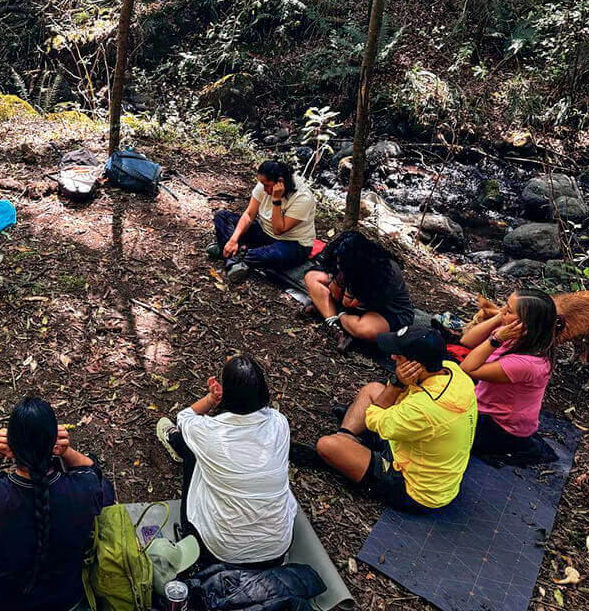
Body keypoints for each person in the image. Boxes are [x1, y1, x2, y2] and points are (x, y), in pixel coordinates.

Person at [0, 396, 114, 611]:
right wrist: (67, 451)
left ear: (11, 446)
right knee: (104, 489)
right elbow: (91, 470)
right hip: (64, 599)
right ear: (54, 444)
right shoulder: (84, 488)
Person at [307, 327, 476, 514]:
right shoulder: (453, 371)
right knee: (372, 389)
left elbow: (373, 418)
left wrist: (397, 383)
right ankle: (347, 438)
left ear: (416, 366)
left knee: (327, 445)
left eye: (399, 355)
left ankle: (345, 448)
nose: (393, 357)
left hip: (415, 489)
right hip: (414, 446)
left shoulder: (423, 409)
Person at [155, 355, 296, 568]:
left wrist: (211, 399)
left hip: (219, 551)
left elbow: (185, 417)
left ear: (227, 394)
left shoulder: (210, 432)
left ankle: (174, 440)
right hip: (276, 550)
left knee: (194, 454)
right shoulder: (280, 423)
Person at [460, 289, 559, 462]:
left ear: (525, 325)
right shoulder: (516, 334)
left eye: (509, 310)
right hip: (487, 407)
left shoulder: (527, 364)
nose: (502, 310)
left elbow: (467, 368)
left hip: (501, 429)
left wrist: (495, 339)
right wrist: (501, 316)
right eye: (505, 304)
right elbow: (467, 341)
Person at [303, 231, 415, 353]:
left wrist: (341, 288)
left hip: (382, 310)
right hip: (350, 303)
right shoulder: (343, 262)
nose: (339, 266)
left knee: (366, 330)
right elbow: (334, 283)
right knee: (312, 277)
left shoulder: (386, 271)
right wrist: (338, 281)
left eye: (342, 264)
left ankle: (332, 314)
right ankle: (335, 325)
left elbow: (349, 303)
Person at [209, 160, 316, 283]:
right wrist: (233, 240)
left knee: (263, 255)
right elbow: (249, 215)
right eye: (262, 184)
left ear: (280, 182)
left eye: (267, 185)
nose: (264, 189)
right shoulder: (263, 185)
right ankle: (234, 255)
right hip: (265, 232)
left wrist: (276, 200)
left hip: (292, 244)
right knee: (222, 217)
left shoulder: (303, 198)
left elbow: (278, 230)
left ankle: (231, 255)